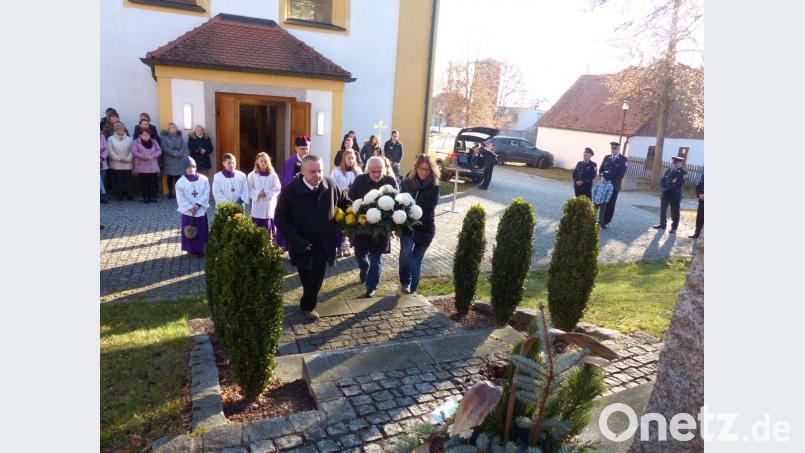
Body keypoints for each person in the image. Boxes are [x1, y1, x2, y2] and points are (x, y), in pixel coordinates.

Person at [275, 155, 352, 320]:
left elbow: (345, 202)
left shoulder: (330, 185)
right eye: (312, 171)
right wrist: (298, 242)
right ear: (302, 171)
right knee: (305, 275)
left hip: (324, 243)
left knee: (316, 277)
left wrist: (357, 213)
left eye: (320, 171)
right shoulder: (290, 191)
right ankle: (307, 300)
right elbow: (280, 219)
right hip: (302, 245)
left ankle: (308, 306)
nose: (317, 175)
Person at [349, 156, 399, 298]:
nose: (376, 174)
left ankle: (371, 287)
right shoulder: (360, 181)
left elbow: (398, 202)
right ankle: (364, 268)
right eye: (373, 171)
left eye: (379, 171)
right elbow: (350, 199)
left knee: (376, 258)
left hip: (381, 228)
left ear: (385, 169)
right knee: (360, 254)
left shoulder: (390, 181)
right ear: (367, 170)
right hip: (362, 227)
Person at [399, 155, 441, 294]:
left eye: (427, 170)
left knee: (416, 261)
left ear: (431, 170)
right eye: (421, 169)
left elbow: (429, 207)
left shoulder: (434, 186)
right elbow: (400, 199)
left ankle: (412, 290)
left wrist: (412, 206)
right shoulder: (408, 181)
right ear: (416, 168)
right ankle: (405, 282)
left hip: (425, 228)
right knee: (405, 254)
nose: (424, 172)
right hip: (408, 226)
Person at [175, 156, 210, 257]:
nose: (191, 169)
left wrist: (198, 205)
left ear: (195, 167)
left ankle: (201, 248)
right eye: (188, 167)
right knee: (189, 230)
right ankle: (191, 250)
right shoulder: (180, 182)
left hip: (200, 210)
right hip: (188, 212)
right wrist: (190, 207)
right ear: (184, 168)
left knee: (201, 230)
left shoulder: (203, 179)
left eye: (192, 167)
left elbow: (206, 193)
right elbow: (180, 198)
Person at [331, 149, 363, 257]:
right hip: (340, 201)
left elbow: (361, 185)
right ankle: (339, 247)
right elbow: (332, 185)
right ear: (344, 159)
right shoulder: (337, 171)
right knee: (341, 224)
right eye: (348, 158)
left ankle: (348, 247)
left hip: (354, 201)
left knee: (352, 222)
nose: (351, 160)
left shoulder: (358, 171)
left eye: (353, 158)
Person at [247, 152, 282, 243]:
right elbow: (249, 188)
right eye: (261, 161)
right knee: (257, 223)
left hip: (268, 204)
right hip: (258, 203)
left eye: (265, 161)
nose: (263, 163)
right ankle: (256, 242)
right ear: (257, 162)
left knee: (268, 221)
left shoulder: (273, 175)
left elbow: (277, 188)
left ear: (268, 162)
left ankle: (269, 242)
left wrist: (267, 193)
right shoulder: (252, 175)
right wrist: (258, 193)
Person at [653, 156, 688, 234]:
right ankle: (662, 225)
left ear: (680, 163)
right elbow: (663, 180)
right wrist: (663, 188)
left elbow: (678, 184)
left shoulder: (683, 172)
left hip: (674, 195)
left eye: (676, 163)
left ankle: (674, 228)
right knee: (663, 210)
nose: (674, 164)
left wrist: (666, 189)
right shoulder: (669, 170)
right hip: (665, 194)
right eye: (673, 163)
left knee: (674, 212)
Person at [598, 142, 628, 227]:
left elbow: (621, 174)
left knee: (611, 203)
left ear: (618, 149)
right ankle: (601, 220)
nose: (613, 150)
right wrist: (602, 177)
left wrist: (609, 181)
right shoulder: (607, 157)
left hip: (614, 185)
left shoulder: (623, 159)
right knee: (602, 202)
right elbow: (601, 169)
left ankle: (606, 221)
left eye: (615, 148)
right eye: (612, 148)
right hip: (604, 184)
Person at [132, 128, 162, 203]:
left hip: (153, 164)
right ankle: (145, 197)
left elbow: (159, 150)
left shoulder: (154, 141)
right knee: (144, 182)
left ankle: (152, 196)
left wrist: (153, 156)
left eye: (148, 134)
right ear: (140, 135)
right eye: (144, 134)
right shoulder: (135, 142)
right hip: (142, 165)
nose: (146, 136)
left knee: (153, 181)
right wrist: (145, 157)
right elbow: (134, 152)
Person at [160, 122, 189, 199]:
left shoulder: (179, 136)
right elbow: (164, 148)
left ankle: (178, 193)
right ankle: (170, 193)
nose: (173, 128)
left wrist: (179, 153)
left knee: (178, 177)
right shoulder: (163, 137)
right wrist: (174, 153)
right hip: (169, 160)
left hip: (179, 160)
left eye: (175, 127)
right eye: (171, 127)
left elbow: (183, 146)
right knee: (170, 177)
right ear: (168, 129)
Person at [107, 122, 134, 200]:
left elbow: (132, 150)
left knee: (128, 180)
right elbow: (110, 150)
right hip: (116, 163)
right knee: (118, 180)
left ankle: (129, 194)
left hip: (127, 163)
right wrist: (119, 159)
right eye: (118, 129)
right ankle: (120, 194)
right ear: (115, 130)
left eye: (121, 128)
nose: (120, 130)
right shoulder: (110, 139)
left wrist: (128, 159)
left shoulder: (129, 139)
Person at [690, 174, 704, 239]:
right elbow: (697, 186)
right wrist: (699, 194)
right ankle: (697, 234)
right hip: (702, 200)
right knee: (699, 217)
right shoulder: (703, 175)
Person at [100, 132, 109, 204]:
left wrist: (101, 157)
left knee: (102, 181)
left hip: (101, 162)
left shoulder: (101, 136)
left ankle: (102, 196)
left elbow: (106, 149)